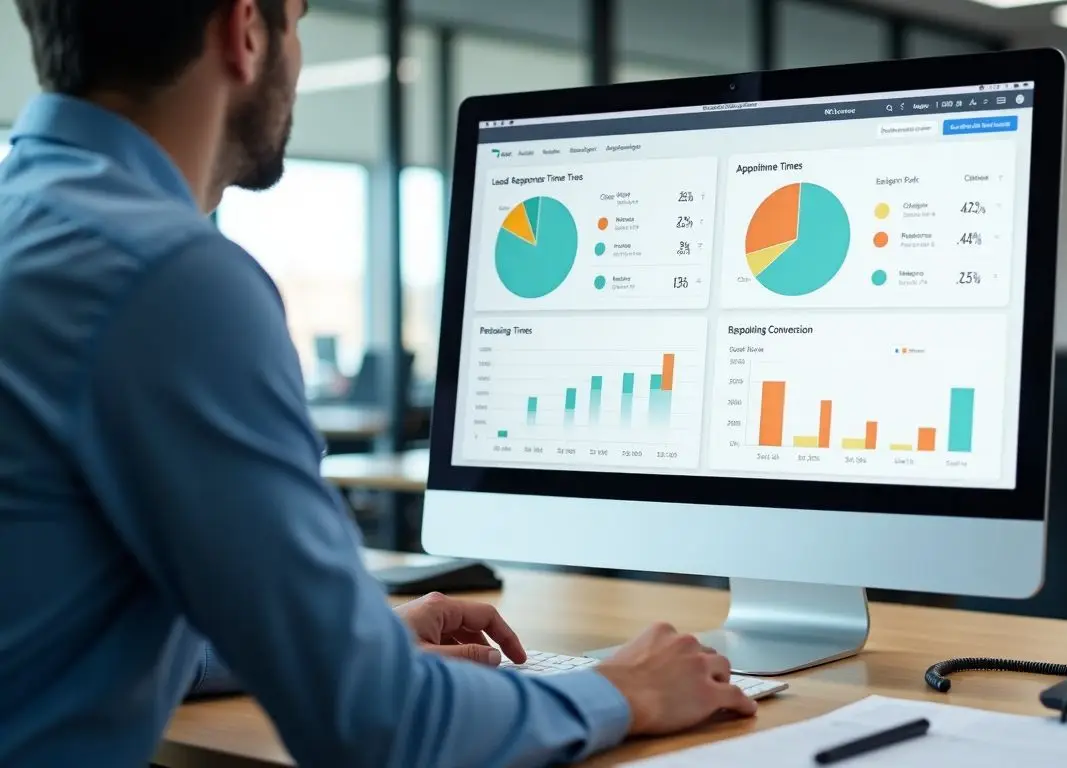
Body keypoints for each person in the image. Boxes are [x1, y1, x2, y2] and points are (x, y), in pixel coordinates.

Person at [0, 1, 755, 765]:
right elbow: (376, 727)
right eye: (297, 17)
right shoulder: (165, 278)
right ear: (246, 32)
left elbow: (49, 617)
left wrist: (347, 640)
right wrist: (624, 691)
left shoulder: (29, 228)